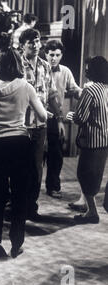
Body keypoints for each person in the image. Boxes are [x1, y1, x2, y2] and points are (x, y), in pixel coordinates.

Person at [0, 47, 47, 258]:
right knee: (19, 196)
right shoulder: (25, 87)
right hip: (19, 143)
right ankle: (16, 243)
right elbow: (42, 116)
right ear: (17, 64)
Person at [19, 28, 64, 221]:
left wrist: (59, 119)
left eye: (38, 42)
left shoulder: (45, 66)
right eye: (32, 43)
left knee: (36, 168)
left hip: (40, 126)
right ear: (23, 45)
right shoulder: (16, 64)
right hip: (19, 125)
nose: (36, 46)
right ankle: (16, 206)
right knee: (18, 167)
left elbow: (52, 94)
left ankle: (31, 207)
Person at [66, 56, 108, 224]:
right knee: (96, 174)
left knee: (85, 175)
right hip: (105, 140)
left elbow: (81, 117)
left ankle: (92, 212)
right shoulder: (106, 89)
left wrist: (71, 116)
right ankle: (91, 210)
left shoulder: (90, 90)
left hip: (92, 140)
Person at [44, 40, 82, 199]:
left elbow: (73, 89)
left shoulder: (65, 71)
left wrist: (89, 92)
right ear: (46, 54)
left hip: (56, 117)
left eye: (57, 55)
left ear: (61, 55)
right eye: (51, 55)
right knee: (36, 156)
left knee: (56, 154)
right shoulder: (39, 68)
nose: (53, 58)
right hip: (38, 116)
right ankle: (30, 188)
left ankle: (53, 186)